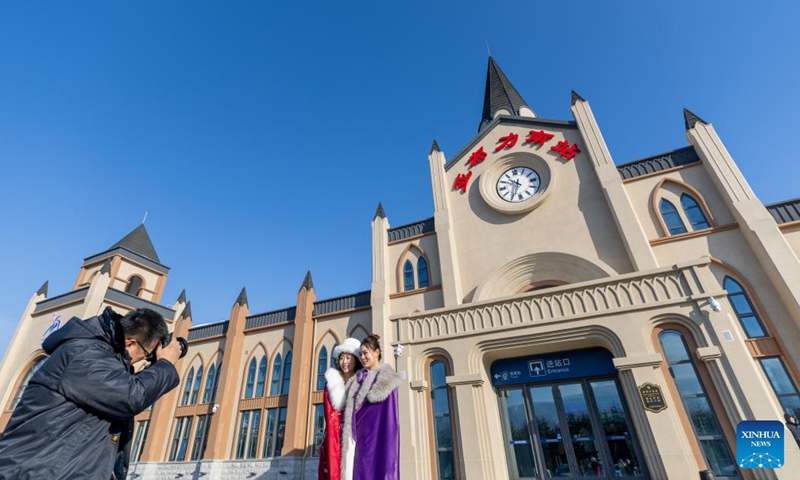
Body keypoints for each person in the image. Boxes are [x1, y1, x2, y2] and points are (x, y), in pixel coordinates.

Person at [0, 307, 182, 480]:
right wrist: (164, 365)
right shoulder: (85, 353)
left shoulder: (98, 356)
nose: (142, 359)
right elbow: (130, 396)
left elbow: (120, 391)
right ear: (130, 343)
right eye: (146, 354)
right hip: (34, 472)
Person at [341, 334, 401, 480]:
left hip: (377, 441)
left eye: (365, 353)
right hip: (357, 440)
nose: (362, 357)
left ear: (376, 352)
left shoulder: (386, 382)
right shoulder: (356, 380)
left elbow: (390, 420)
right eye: (360, 354)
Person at [318, 338, 363, 480]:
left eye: (348, 358)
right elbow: (330, 416)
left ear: (356, 360)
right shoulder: (331, 384)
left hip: (357, 436)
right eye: (342, 358)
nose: (344, 362)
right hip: (334, 438)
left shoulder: (361, 383)